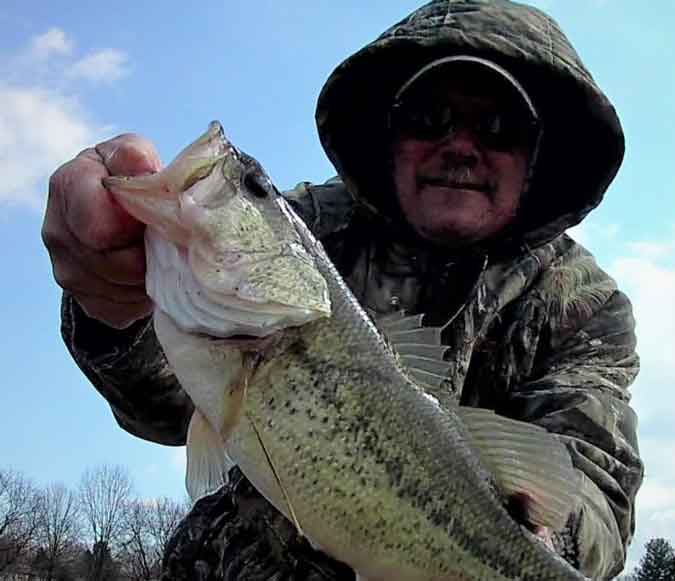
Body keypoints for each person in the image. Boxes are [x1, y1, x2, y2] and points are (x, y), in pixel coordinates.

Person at [43, 1, 643, 579]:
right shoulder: (307, 233)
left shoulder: (584, 304)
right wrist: (114, 303)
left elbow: (594, 481)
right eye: (428, 118)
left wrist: (520, 544)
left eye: (497, 126)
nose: (461, 146)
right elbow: (165, 407)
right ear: (389, 136)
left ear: (537, 157)